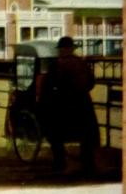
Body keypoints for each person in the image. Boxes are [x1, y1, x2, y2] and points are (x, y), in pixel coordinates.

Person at [41, 36, 99, 174]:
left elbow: (48, 85)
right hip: (84, 103)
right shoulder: (82, 63)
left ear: (62, 49)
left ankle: (60, 164)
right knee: (86, 135)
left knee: (55, 133)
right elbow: (92, 82)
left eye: (60, 49)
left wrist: (47, 100)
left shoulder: (57, 64)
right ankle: (88, 165)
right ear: (72, 49)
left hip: (64, 104)